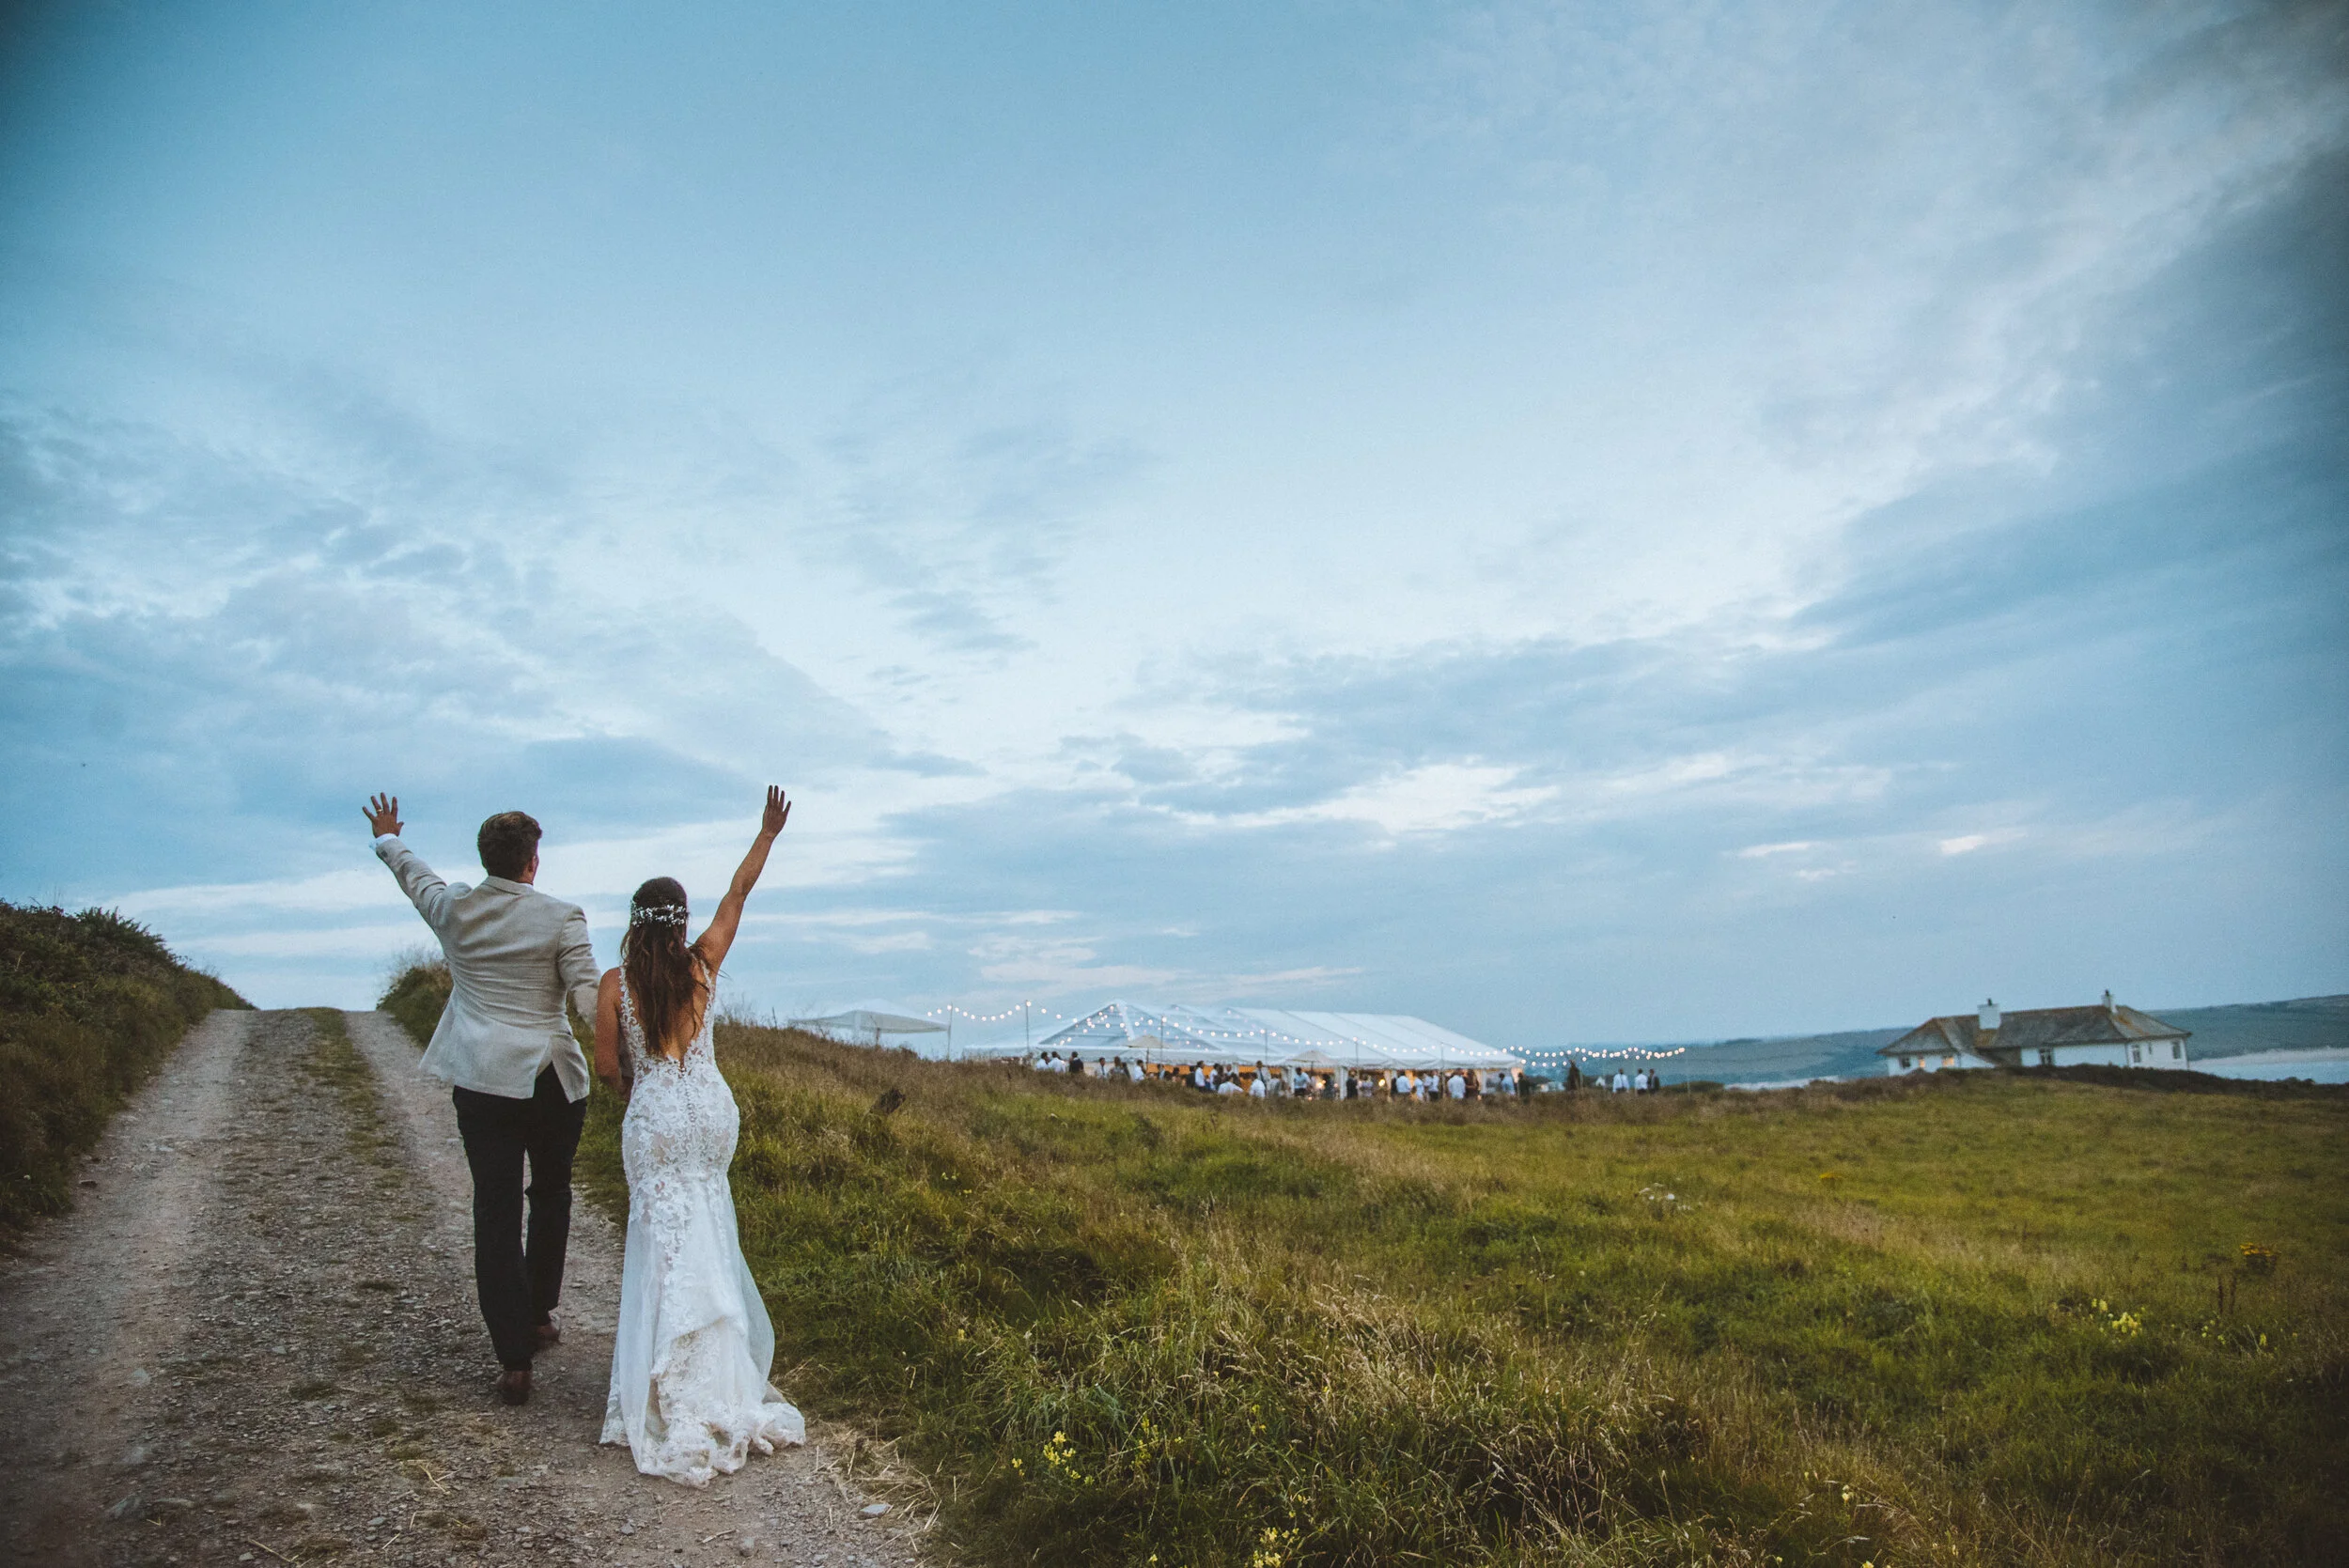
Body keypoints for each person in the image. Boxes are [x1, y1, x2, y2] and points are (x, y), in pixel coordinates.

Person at [593, 786, 805, 1485]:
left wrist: (640, 1089)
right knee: (712, 1229)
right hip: (711, 1112)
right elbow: (738, 894)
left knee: (663, 1241)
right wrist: (766, 833)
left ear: (634, 921)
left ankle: (665, 1383)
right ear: (681, 920)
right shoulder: (704, 963)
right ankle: (722, 1376)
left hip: (657, 1112)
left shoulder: (615, 984)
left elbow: (604, 1065)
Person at [366, 793, 599, 1407]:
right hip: (549, 1077)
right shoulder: (562, 916)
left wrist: (389, 838)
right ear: (533, 861)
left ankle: (513, 1357)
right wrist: (631, 1049)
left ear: (488, 858)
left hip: (483, 1082)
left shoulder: (457, 910)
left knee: (494, 1209)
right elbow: (589, 996)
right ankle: (540, 1315)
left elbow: (417, 878)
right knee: (550, 1193)